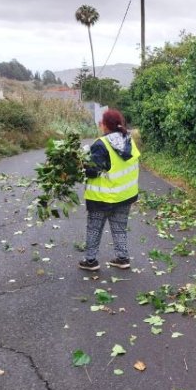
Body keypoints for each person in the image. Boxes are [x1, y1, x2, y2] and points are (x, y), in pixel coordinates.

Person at [78, 109, 140, 271]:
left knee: (94, 228)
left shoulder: (101, 144)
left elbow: (92, 171)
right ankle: (122, 258)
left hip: (102, 198)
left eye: (101, 122)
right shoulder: (129, 141)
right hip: (125, 195)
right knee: (119, 227)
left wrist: (82, 162)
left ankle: (90, 261)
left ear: (105, 125)